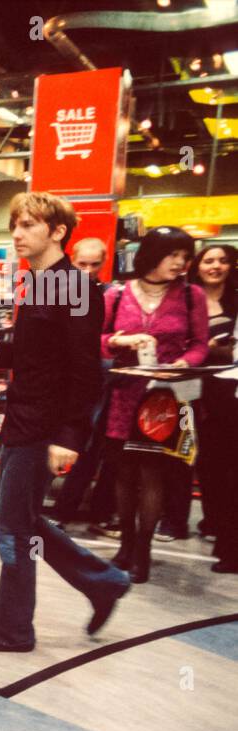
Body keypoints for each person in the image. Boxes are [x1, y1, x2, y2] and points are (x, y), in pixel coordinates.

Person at [0, 193, 130, 653]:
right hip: (24, 419)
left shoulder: (73, 287)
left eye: (29, 225)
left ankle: (10, 628)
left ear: (57, 232)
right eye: (15, 224)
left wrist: (69, 435)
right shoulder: (43, 283)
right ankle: (103, 582)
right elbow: (39, 354)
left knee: (13, 527)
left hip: (42, 428)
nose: (17, 233)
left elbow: (83, 369)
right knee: (24, 521)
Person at [101, 227, 209, 583]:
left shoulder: (192, 295)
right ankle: (126, 543)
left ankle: (142, 550)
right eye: (172, 254)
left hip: (165, 396)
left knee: (153, 474)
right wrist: (122, 339)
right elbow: (98, 341)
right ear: (151, 254)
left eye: (184, 256)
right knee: (123, 473)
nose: (180, 262)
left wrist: (185, 363)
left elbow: (199, 344)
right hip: (125, 392)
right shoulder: (117, 294)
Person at [52, 237, 117, 529]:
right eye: (83, 264)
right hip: (58, 380)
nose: (89, 270)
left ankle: (64, 511)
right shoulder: (56, 290)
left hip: (92, 380)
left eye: (95, 264)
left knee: (86, 445)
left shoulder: (110, 295)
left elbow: (99, 342)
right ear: (72, 259)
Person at [188, 243, 238, 572]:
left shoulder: (235, 301)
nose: (216, 266)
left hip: (229, 394)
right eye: (209, 260)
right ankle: (215, 522)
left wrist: (211, 350)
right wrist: (212, 348)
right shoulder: (187, 299)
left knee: (227, 468)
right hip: (192, 391)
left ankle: (229, 542)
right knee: (204, 464)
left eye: (222, 260)